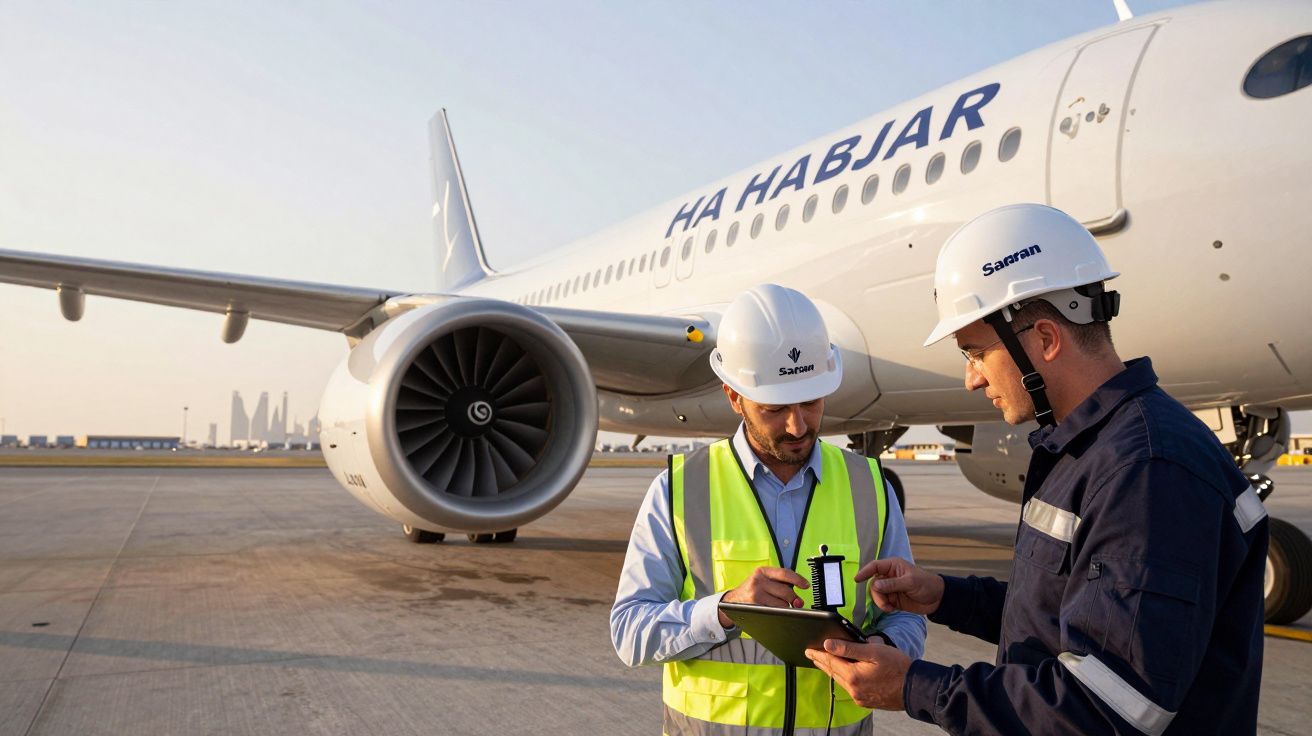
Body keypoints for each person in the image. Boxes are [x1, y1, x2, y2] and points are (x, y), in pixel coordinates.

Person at [805, 203, 1269, 735]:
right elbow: (1066, 617)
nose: (971, 379)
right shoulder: (1091, 450)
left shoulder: (1146, 472)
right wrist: (945, 595)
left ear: (1045, 340)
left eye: (975, 352)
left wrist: (914, 686)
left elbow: (1105, 709)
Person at [611, 283, 926, 736]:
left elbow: (906, 613)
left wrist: (886, 644)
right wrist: (726, 609)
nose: (798, 425)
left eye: (812, 402)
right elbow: (629, 631)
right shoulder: (679, 489)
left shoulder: (870, 486)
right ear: (734, 397)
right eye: (775, 408)